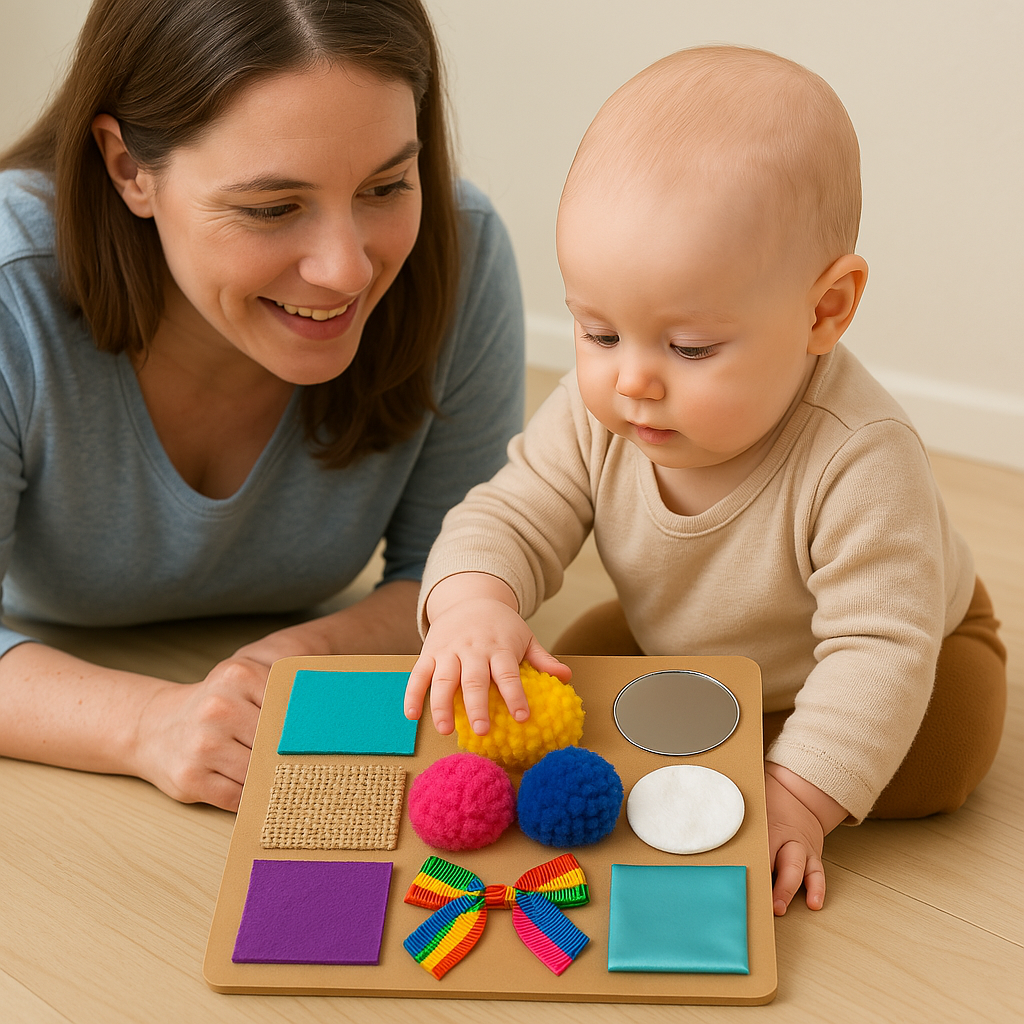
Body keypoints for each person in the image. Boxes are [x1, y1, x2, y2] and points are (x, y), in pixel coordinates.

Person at [404, 45, 1006, 916]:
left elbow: (881, 649)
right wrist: (471, 602)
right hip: (688, 636)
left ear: (823, 311)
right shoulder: (597, 407)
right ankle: (724, 729)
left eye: (688, 348)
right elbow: (515, 509)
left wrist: (797, 796)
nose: (632, 380)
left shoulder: (861, 458)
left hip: (913, 649)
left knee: (944, 752)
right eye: (599, 332)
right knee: (567, 668)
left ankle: (777, 754)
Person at [0, 0, 525, 812]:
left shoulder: (462, 249)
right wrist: (148, 724)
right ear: (129, 167)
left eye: (387, 185)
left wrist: (296, 659)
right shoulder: (11, 285)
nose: (348, 270)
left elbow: (456, 573)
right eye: (274, 208)